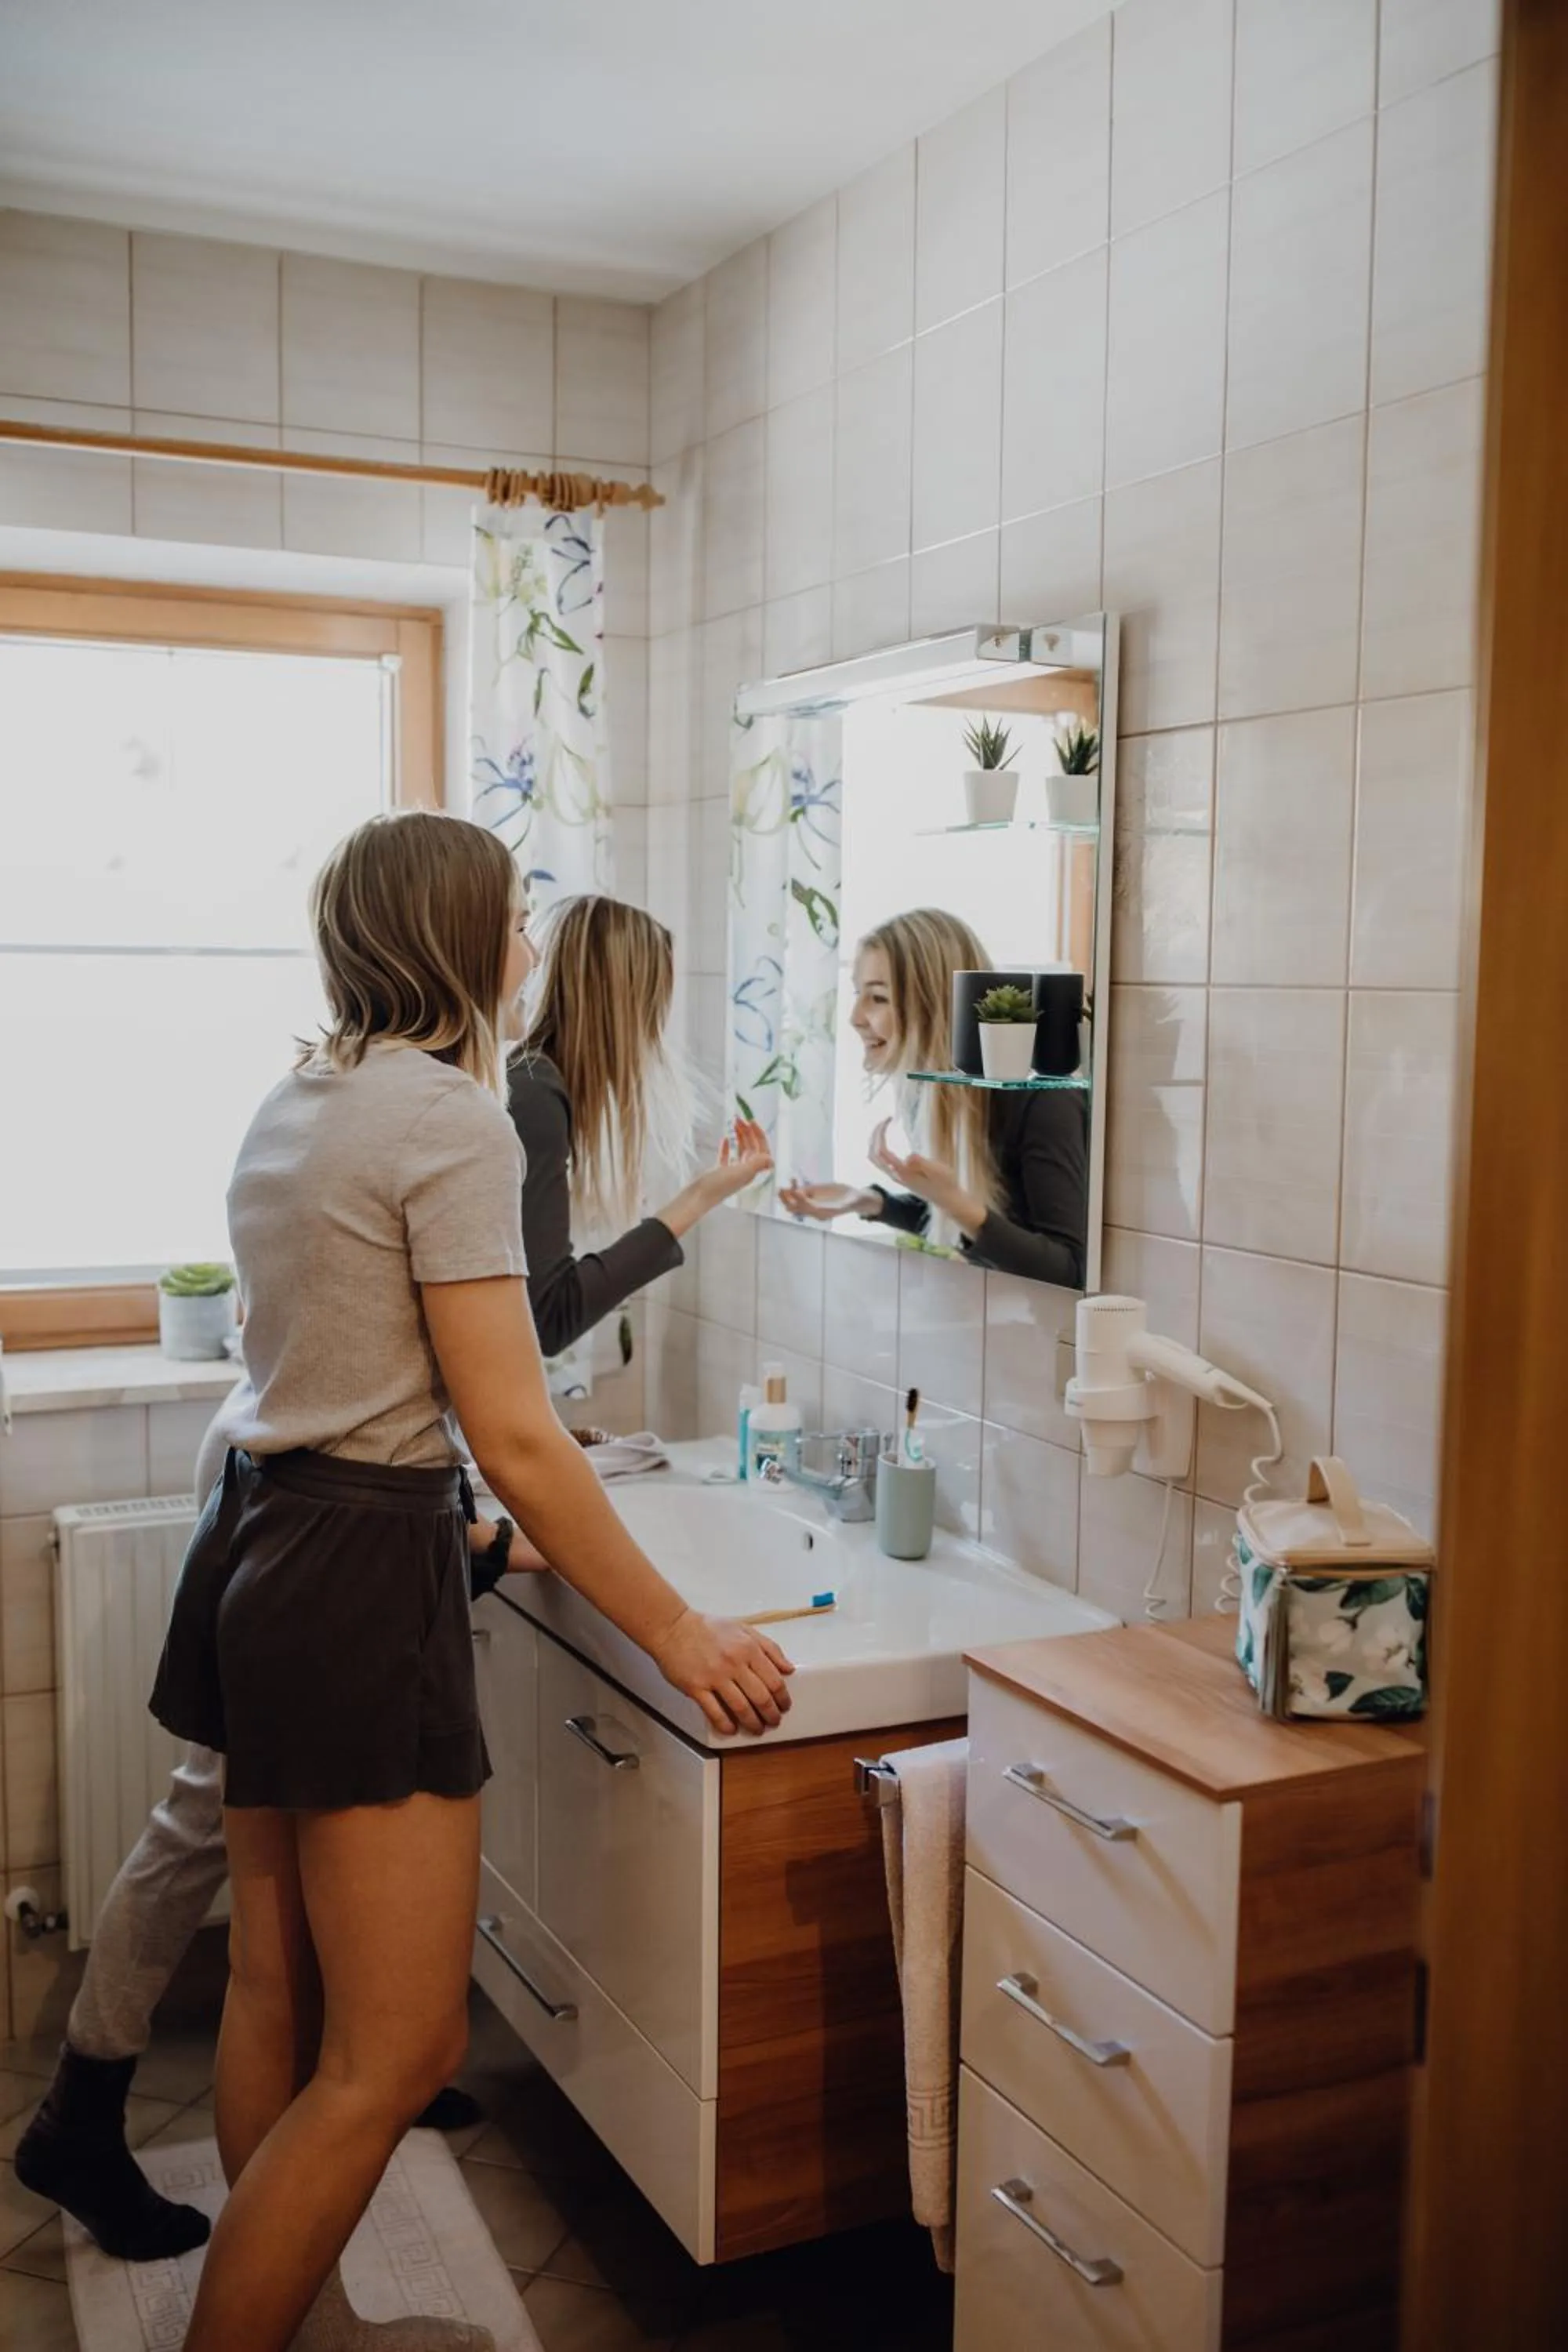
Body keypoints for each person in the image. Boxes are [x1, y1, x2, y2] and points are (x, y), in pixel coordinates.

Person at [72, 809, 793, 2352]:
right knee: (399, 2053)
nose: (529, 941)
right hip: (355, 1575)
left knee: (276, 1988)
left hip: (260, 1541)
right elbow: (515, 1430)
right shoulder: (456, 1121)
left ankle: (303, 2309)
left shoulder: (302, 1095)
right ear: (456, 934)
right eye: (514, 914)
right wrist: (675, 1627)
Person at [13, 1411, 540, 2267]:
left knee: (313, 1831)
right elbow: (492, 1354)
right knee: (201, 1821)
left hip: (290, 1463)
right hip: (302, 1487)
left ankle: (360, 2073)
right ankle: (81, 2113)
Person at [508, 893, 769, 1357]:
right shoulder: (535, 1095)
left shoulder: (528, 1081)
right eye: (653, 1003)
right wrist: (698, 1197)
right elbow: (551, 1316)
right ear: (622, 1004)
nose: (653, 1028)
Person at [779, 907, 1088, 1289]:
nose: (855, 1017)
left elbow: (1068, 1271)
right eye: (859, 994)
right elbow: (976, 1221)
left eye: (878, 998)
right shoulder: (930, 1093)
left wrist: (953, 1201)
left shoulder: (1044, 1100)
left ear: (933, 1005)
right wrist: (868, 1201)